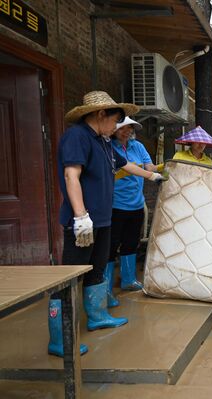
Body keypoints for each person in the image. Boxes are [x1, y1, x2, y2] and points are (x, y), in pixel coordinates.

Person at [48, 91, 167, 358]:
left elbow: (127, 165)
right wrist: (80, 216)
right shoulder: (77, 137)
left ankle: (97, 315)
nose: (117, 128)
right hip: (83, 223)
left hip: (103, 220)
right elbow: (71, 176)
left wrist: (153, 176)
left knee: (98, 270)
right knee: (69, 278)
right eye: (115, 121)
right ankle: (60, 339)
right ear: (100, 114)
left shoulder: (102, 142)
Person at [104, 117, 163, 307]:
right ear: (113, 129)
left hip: (136, 204)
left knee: (131, 243)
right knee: (110, 247)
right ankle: (105, 289)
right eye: (122, 128)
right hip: (114, 204)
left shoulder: (137, 146)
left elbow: (150, 168)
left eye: (129, 128)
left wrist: (166, 165)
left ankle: (128, 280)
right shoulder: (107, 147)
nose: (127, 131)